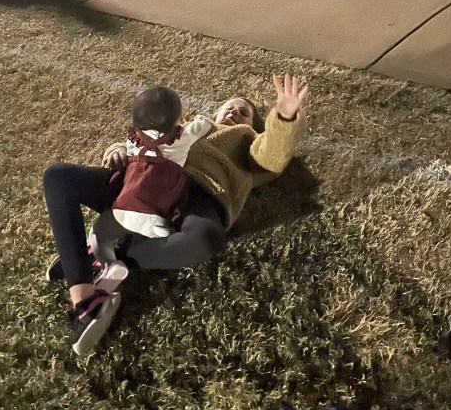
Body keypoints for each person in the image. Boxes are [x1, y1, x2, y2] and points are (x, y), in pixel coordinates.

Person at [42, 74, 309, 357]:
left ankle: (110, 255)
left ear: (253, 125)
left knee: (206, 239)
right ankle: (83, 295)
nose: (234, 112)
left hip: (197, 195)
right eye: (229, 107)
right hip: (141, 180)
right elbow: (143, 138)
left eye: (244, 112)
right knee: (59, 178)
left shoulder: (246, 139)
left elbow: (272, 156)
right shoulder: (188, 127)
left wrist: (284, 118)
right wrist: (116, 150)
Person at [89, 86, 213, 264]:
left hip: (126, 210)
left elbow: (125, 154)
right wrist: (206, 119)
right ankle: (141, 253)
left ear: (136, 122)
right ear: (177, 120)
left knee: (99, 232)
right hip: (159, 217)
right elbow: (202, 125)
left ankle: (110, 264)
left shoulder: (134, 141)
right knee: (150, 240)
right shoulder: (182, 138)